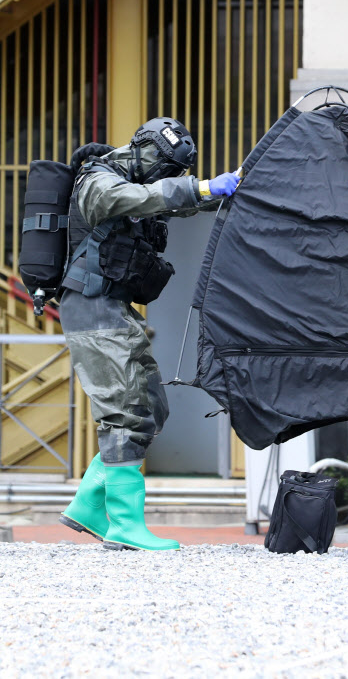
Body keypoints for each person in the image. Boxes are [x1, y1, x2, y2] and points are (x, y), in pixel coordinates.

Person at [58, 117, 240, 551]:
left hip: (114, 308)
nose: (166, 176)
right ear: (142, 148)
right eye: (163, 165)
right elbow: (132, 199)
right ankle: (123, 525)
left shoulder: (143, 184)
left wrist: (228, 187)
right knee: (126, 412)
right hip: (91, 307)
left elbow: (173, 203)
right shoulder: (99, 180)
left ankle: (87, 505)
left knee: (151, 406)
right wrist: (199, 187)